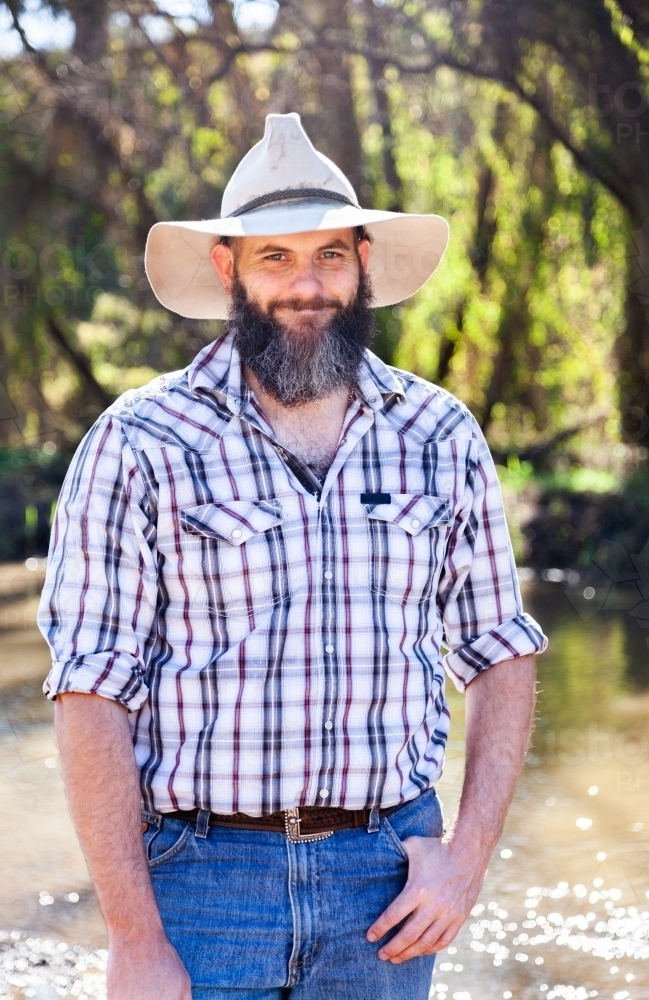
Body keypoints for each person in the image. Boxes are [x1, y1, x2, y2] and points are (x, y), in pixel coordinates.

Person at [38, 112, 547, 1000]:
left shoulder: (439, 434)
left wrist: (465, 862)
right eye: (275, 257)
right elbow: (89, 693)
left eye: (329, 257)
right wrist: (132, 936)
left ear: (361, 267)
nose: (306, 285)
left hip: (384, 884)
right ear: (228, 268)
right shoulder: (140, 442)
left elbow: (499, 653)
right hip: (200, 882)